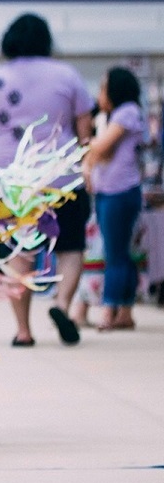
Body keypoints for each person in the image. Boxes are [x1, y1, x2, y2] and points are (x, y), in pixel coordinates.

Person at [0, 14, 93, 347]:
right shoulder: (68, 76)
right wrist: (86, 168)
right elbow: (85, 133)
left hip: (11, 181)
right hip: (63, 178)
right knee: (70, 246)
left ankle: (23, 330)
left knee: (17, 252)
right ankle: (62, 304)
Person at [83, 67, 147, 331]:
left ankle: (109, 309)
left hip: (120, 192)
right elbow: (99, 154)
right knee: (121, 253)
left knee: (116, 254)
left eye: (103, 88)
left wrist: (90, 144)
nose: (99, 94)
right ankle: (125, 312)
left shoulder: (127, 112)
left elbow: (100, 148)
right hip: (110, 192)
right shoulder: (113, 116)